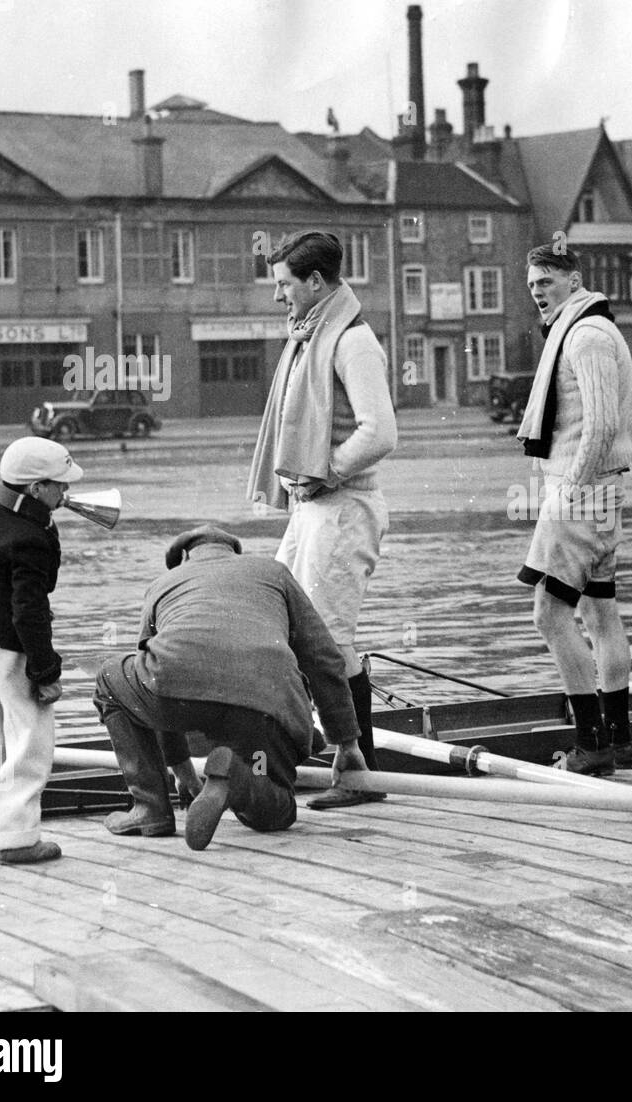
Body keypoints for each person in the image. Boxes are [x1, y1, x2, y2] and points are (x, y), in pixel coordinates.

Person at [93, 526, 370, 852]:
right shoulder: (273, 572)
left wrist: (182, 771)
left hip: (180, 696)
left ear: (183, 557)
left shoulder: (162, 584)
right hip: (266, 706)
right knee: (272, 807)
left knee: (111, 680)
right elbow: (324, 659)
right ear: (233, 552)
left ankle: (150, 808)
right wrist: (348, 743)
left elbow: (153, 675)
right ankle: (240, 776)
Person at [248, 230, 397, 809]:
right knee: (288, 628)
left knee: (328, 643)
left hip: (343, 507)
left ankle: (358, 769)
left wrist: (326, 470)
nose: (278, 296)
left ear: (316, 281)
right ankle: (337, 752)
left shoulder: (352, 341)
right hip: (314, 509)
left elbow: (380, 431)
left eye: (285, 283)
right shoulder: (312, 336)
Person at [516, 244, 632, 774]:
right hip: (604, 494)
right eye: (532, 284)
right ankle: (621, 741)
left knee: (549, 615)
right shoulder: (590, 327)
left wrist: (571, 490)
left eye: (546, 281)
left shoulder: (585, 335)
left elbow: (602, 425)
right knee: (600, 613)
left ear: (574, 280)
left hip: (581, 493)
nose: (537, 291)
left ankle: (591, 746)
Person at [0, 437, 87, 864]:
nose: (66, 493)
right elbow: (29, 608)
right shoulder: (33, 536)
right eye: (59, 485)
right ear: (36, 488)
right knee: (29, 739)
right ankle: (19, 838)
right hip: (8, 643)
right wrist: (45, 670)